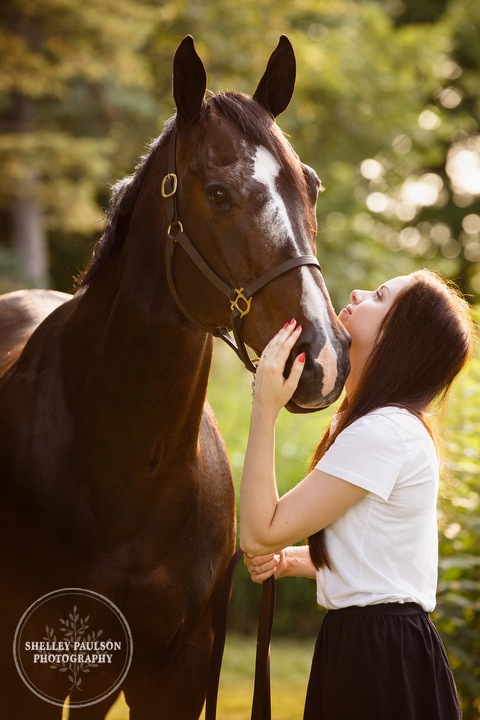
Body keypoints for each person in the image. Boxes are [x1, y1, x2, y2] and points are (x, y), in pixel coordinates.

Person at [240, 269, 475, 720]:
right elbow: (382, 562)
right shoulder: (392, 427)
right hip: (380, 646)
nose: (357, 292)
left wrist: (265, 409)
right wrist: (291, 560)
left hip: (377, 653)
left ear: (396, 340)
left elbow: (258, 532)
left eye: (379, 295)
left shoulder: (384, 431)